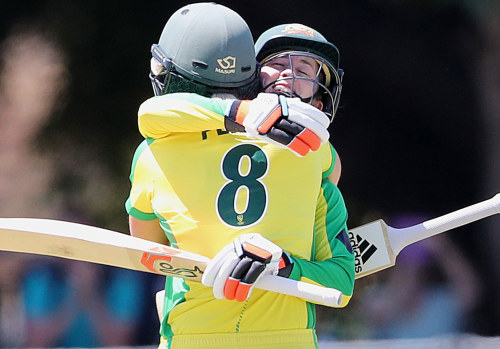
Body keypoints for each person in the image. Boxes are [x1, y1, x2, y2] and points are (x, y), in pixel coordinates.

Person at [125, 3, 354, 348]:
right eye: (275, 65)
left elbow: (145, 251)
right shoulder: (316, 158)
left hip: (189, 336)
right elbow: (340, 285)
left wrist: (284, 264)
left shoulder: (152, 152)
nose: (286, 76)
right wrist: (288, 265)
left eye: (303, 70)